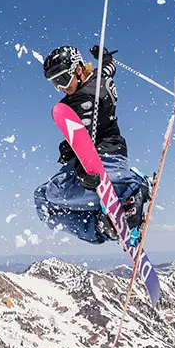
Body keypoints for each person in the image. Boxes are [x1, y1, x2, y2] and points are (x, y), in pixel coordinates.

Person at [34, 44, 151, 244]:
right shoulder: (99, 78)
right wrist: (105, 58)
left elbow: (85, 134)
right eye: (55, 83)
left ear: (78, 69)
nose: (62, 88)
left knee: (49, 197)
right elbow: (108, 68)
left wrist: (82, 170)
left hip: (100, 158)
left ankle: (129, 188)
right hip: (116, 156)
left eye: (63, 79)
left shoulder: (83, 98)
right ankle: (105, 223)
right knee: (43, 199)